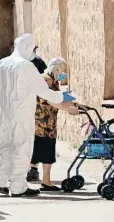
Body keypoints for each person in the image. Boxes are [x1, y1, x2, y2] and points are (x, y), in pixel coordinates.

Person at [0, 33, 76, 197]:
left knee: (6, 148)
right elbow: (43, 91)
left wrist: (0, 109)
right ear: (28, 47)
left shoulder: (2, 64)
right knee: (22, 148)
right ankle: (18, 186)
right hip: (21, 115)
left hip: (3, 115)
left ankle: (0, 181)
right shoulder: (26, 66)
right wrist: (61, 97)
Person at [26, 57, 79, 190]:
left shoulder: (53, 81)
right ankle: (46, 181)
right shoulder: (45, 80)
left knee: (44, 151)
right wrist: (68, 109)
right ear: (55, 69)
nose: (64, 74)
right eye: (62, 70)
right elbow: (50, 100)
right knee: (46, 150)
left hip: (47, 123)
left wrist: (76, 104)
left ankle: (45, 180)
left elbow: (59, 97)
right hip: (42, 124)